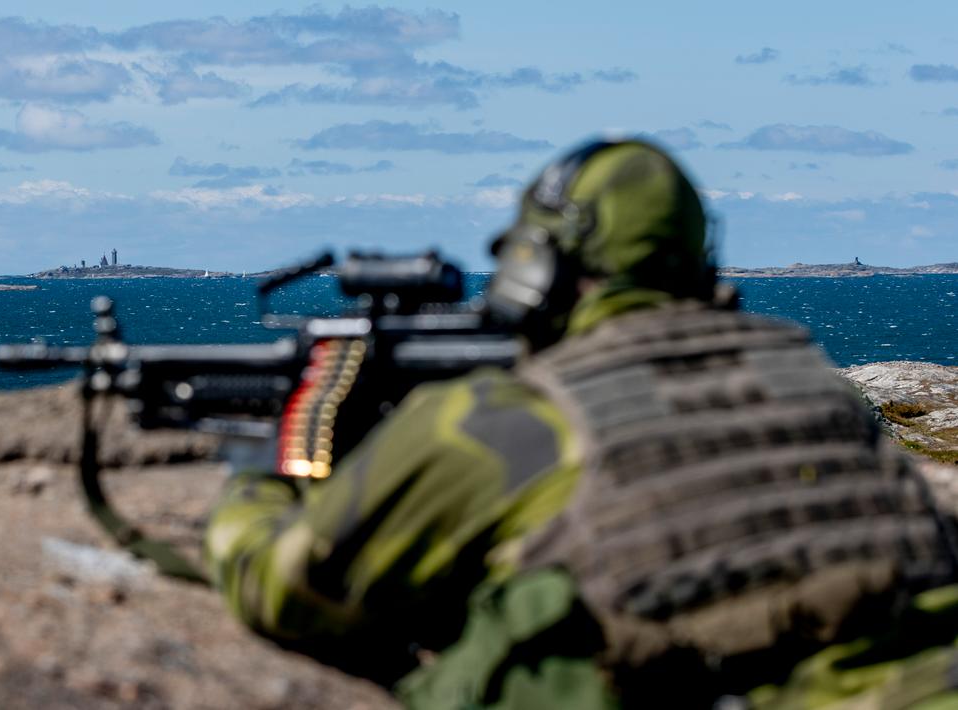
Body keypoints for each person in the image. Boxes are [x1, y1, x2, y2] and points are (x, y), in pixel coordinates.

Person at [203, 139, 958, 708]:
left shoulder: (521, 419)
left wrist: (257, 477)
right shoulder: (810, 383)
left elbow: (288, 590)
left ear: (539, 271)